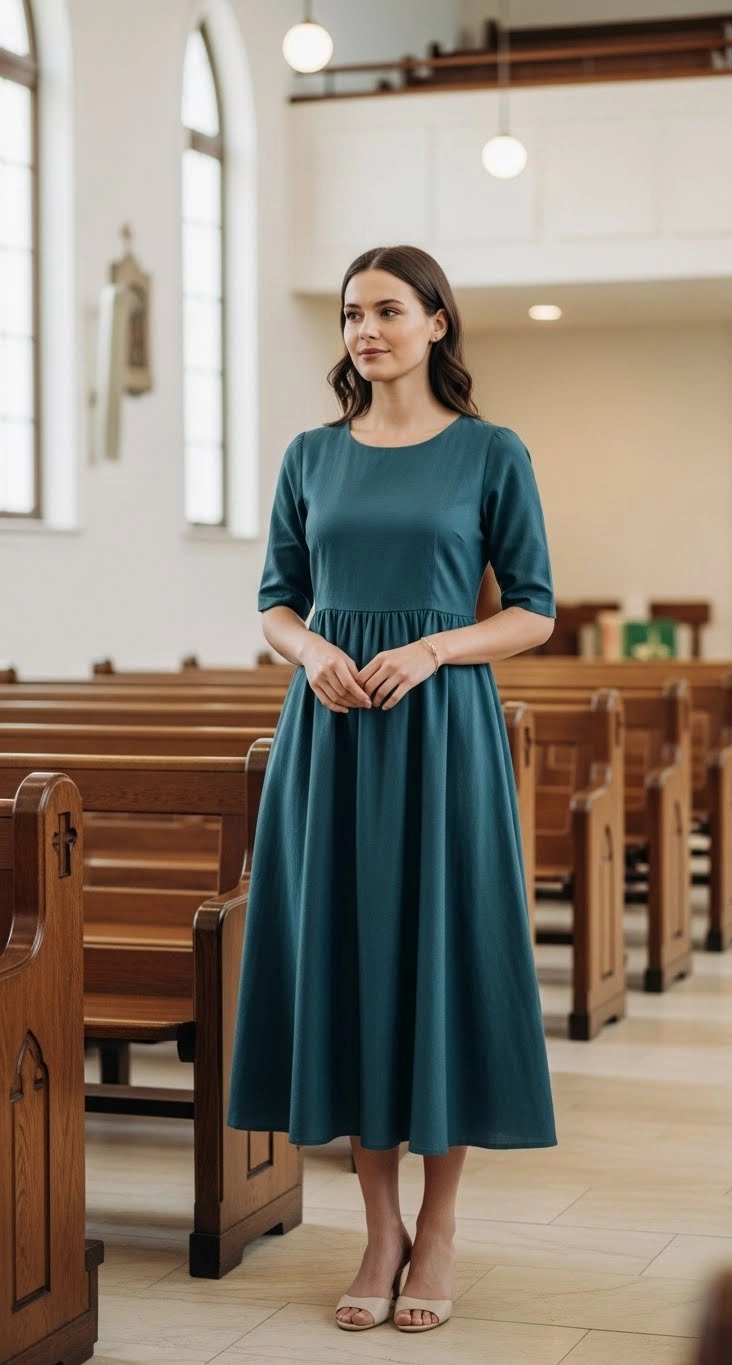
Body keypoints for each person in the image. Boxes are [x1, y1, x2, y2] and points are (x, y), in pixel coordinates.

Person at [227, 244, 557, 1334]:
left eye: (387, 311)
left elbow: (536, 610)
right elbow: (277, 597)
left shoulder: (490, 452)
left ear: (437, 324)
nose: (365, 330)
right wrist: (307, 649)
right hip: (331, 738)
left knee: (439, 961)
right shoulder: (311, 456)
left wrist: (435, 650)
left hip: (441, 735)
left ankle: (443, 1223)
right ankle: (379, 1228)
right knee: (354, 965)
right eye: (351, 314)